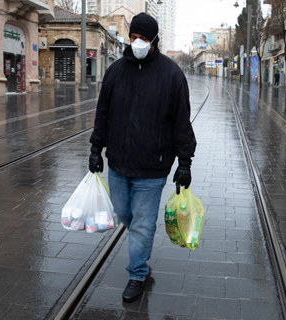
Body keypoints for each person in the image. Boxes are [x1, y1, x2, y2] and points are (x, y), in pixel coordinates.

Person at [88, 12, 196, 303]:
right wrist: (95, 149)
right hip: (119, 163)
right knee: (125, 214)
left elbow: (181, 122)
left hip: (154, 166)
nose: (137, 42)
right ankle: (142, 234)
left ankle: (137, 273)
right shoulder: (115, 71)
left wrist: (184, 162)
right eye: (134, 37)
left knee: (141, 224)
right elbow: (103, 115)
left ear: (155, 40)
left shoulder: (172, 75)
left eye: (144, 38)